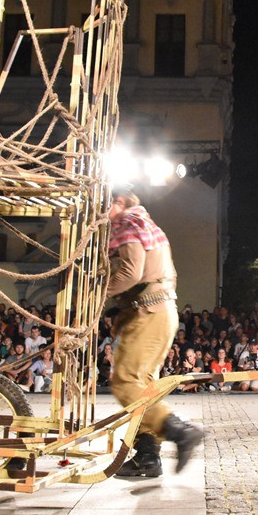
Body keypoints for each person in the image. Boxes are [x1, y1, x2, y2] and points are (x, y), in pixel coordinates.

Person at [106, 190, 202, 478]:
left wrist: (98, 294)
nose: (102, 213)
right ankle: (147, 456)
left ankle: (180, 431)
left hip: (148, 313)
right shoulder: (148, 224)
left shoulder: (125, 223)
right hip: (161, 312)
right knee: (144, 386)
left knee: (125, 382)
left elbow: (131, 273)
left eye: (105, 205)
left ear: (119, 202)